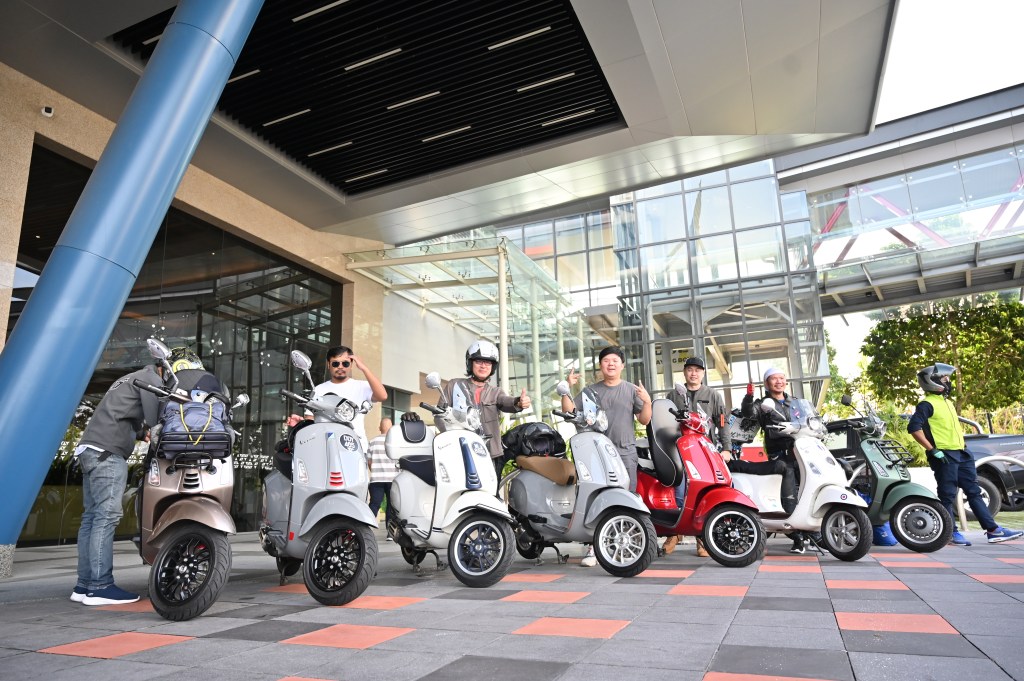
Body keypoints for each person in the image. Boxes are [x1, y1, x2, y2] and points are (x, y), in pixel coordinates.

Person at [71, 358, 164, 606]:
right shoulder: (151, 379)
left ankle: (84, 585)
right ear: (164, 368)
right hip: (107, 453)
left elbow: (122, 413)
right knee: (106, 517)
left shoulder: (129, 378)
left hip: (90, 449)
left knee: (91, 518)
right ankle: (101, 586)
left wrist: (140, 432)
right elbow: (157, 418)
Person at [908, 363, 1023, 546]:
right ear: (933, 381)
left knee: (974, 492)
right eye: (944, 378)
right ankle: (949, 533)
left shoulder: (947, 402)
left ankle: (993, 531)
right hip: (944, 455)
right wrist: (932, 449)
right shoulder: (926, 404)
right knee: (947, 495)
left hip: (962, 453)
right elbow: (914, 428)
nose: (948, 381)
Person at [562, 346, 652, 566]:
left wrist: (647, 401)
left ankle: (626, 545)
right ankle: (594, 547)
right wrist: (566, 390)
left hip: (625, 451)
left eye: (615, 360)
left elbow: (644, 420)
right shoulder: (590, 391)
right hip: (596, 454)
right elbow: (569, 412)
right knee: (597, 498)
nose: (610, 364)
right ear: (600, 365)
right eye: (606, 360)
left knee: (627, 499)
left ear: (622, 365)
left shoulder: (631, 390)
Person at [663, 356, 732, 557]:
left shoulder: (713, 395)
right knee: (678, 488)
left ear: (703, 373)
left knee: (703, 491)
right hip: (678, 450)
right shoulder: (673, 395)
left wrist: (727, 448)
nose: (693, 373)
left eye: (697, 370)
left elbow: (723, 423)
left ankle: (701, 536)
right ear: (684, 372)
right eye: (690, 369)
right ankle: (675, 532)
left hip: (704, 450)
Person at [440, 340, 530, 477]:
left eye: (488, 362)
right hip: (460, 450)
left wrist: (518, 402)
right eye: (479, 361)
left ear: (493, 367)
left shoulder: (496, 392)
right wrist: (449, 437)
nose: (483, 366)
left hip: (490, 454)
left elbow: (506, 401)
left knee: (491, 489)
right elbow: (439, 414)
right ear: (470, 363)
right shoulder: (454, 385)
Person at [738, 367, 802, 552]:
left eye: (781, 378)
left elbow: (807, 419)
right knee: (788, 491)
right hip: (779, 454)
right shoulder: (763, 404)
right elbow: (749, 413)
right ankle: (796, 535)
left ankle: (813, 530)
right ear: (767, 383)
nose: (779, 381)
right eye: (774, 379)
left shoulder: (795, 402)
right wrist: (748, 397)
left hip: (800, 451)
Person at [292, 345, 387, 451]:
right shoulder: (318, 389)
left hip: (356, 447)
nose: (340, 367)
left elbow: (382, 396)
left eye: (345, 363)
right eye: (335, 363)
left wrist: (364, 368)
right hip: (326, 447)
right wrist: (301, 422)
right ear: (328, 365)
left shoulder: (361, 386)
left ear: (351, 365)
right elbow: (311, 418)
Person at [366, 417, 399, 538]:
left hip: (376, 479)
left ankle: (365, 528)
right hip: (392, 479)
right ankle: (390, 533)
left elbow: (369, 462)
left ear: (380, 428)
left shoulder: (372, 442)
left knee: (374, 504)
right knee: (391, 506)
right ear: (391, 429)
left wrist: (375, 471)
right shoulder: (395, 442)